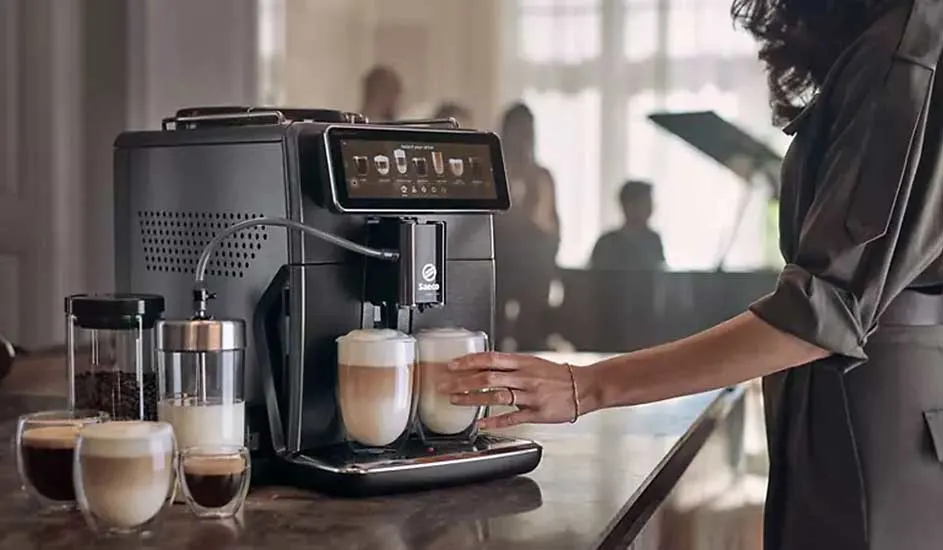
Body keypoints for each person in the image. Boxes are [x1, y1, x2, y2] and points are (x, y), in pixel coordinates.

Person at [439, 1, 943, 549]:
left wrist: (586, 385)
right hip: (880, 416)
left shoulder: (909, 52)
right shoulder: (904, 39)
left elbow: (822, 309)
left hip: (877, 426)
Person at [493, 102, 561, 351]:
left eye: (527, 131)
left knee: (531, 332)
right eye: (517, 130)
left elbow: (551, 226)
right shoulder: (493, 172)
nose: (522, 138)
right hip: (500, 262)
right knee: (494, 327)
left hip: (533, 266)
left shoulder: (542, 176)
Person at [590, 180, 664, 271]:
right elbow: (594, 278)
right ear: (627, 206)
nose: (650, 209)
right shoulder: (607, 242)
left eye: (650, 204)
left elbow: (659, 276)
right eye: (644, 203)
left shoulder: (653, 239)